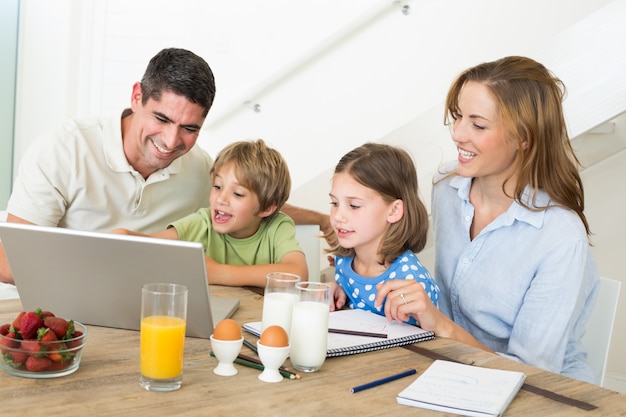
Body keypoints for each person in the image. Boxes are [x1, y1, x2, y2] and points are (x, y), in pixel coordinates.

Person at [0, 47, 332, 285]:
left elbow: (255, 199)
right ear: (136, 97)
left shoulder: (199, 167)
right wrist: (97, 273)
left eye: (190, 128)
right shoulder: (64, 148)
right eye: (162, 118)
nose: (172, 142)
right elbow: (9, 259)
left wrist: (321, 219)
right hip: (65, 302)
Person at [375, 56, 599, 382]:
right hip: (452, 368)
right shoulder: (447, 188)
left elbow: (533, 373)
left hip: (539, 394)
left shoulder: (560, 237)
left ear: (525, 138)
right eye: (458, 117)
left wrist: (440, 324)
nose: (458, 134)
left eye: (478, 125)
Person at [114, 139, 307, 287]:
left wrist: (219, 273)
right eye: (217, 186)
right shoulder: (202, 222)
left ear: (267, 208)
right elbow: (152, 244)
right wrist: (126, 236)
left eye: (238, 194)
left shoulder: (278, 226)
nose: (221, 199)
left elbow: (298, 273)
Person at [327, 143, 439, 325]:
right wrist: (339, 292)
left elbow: (431, 343)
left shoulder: (411, 280)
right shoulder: (344, 261)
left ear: (394, 211)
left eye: (354, 205)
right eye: (334, 203)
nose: (338, 216)